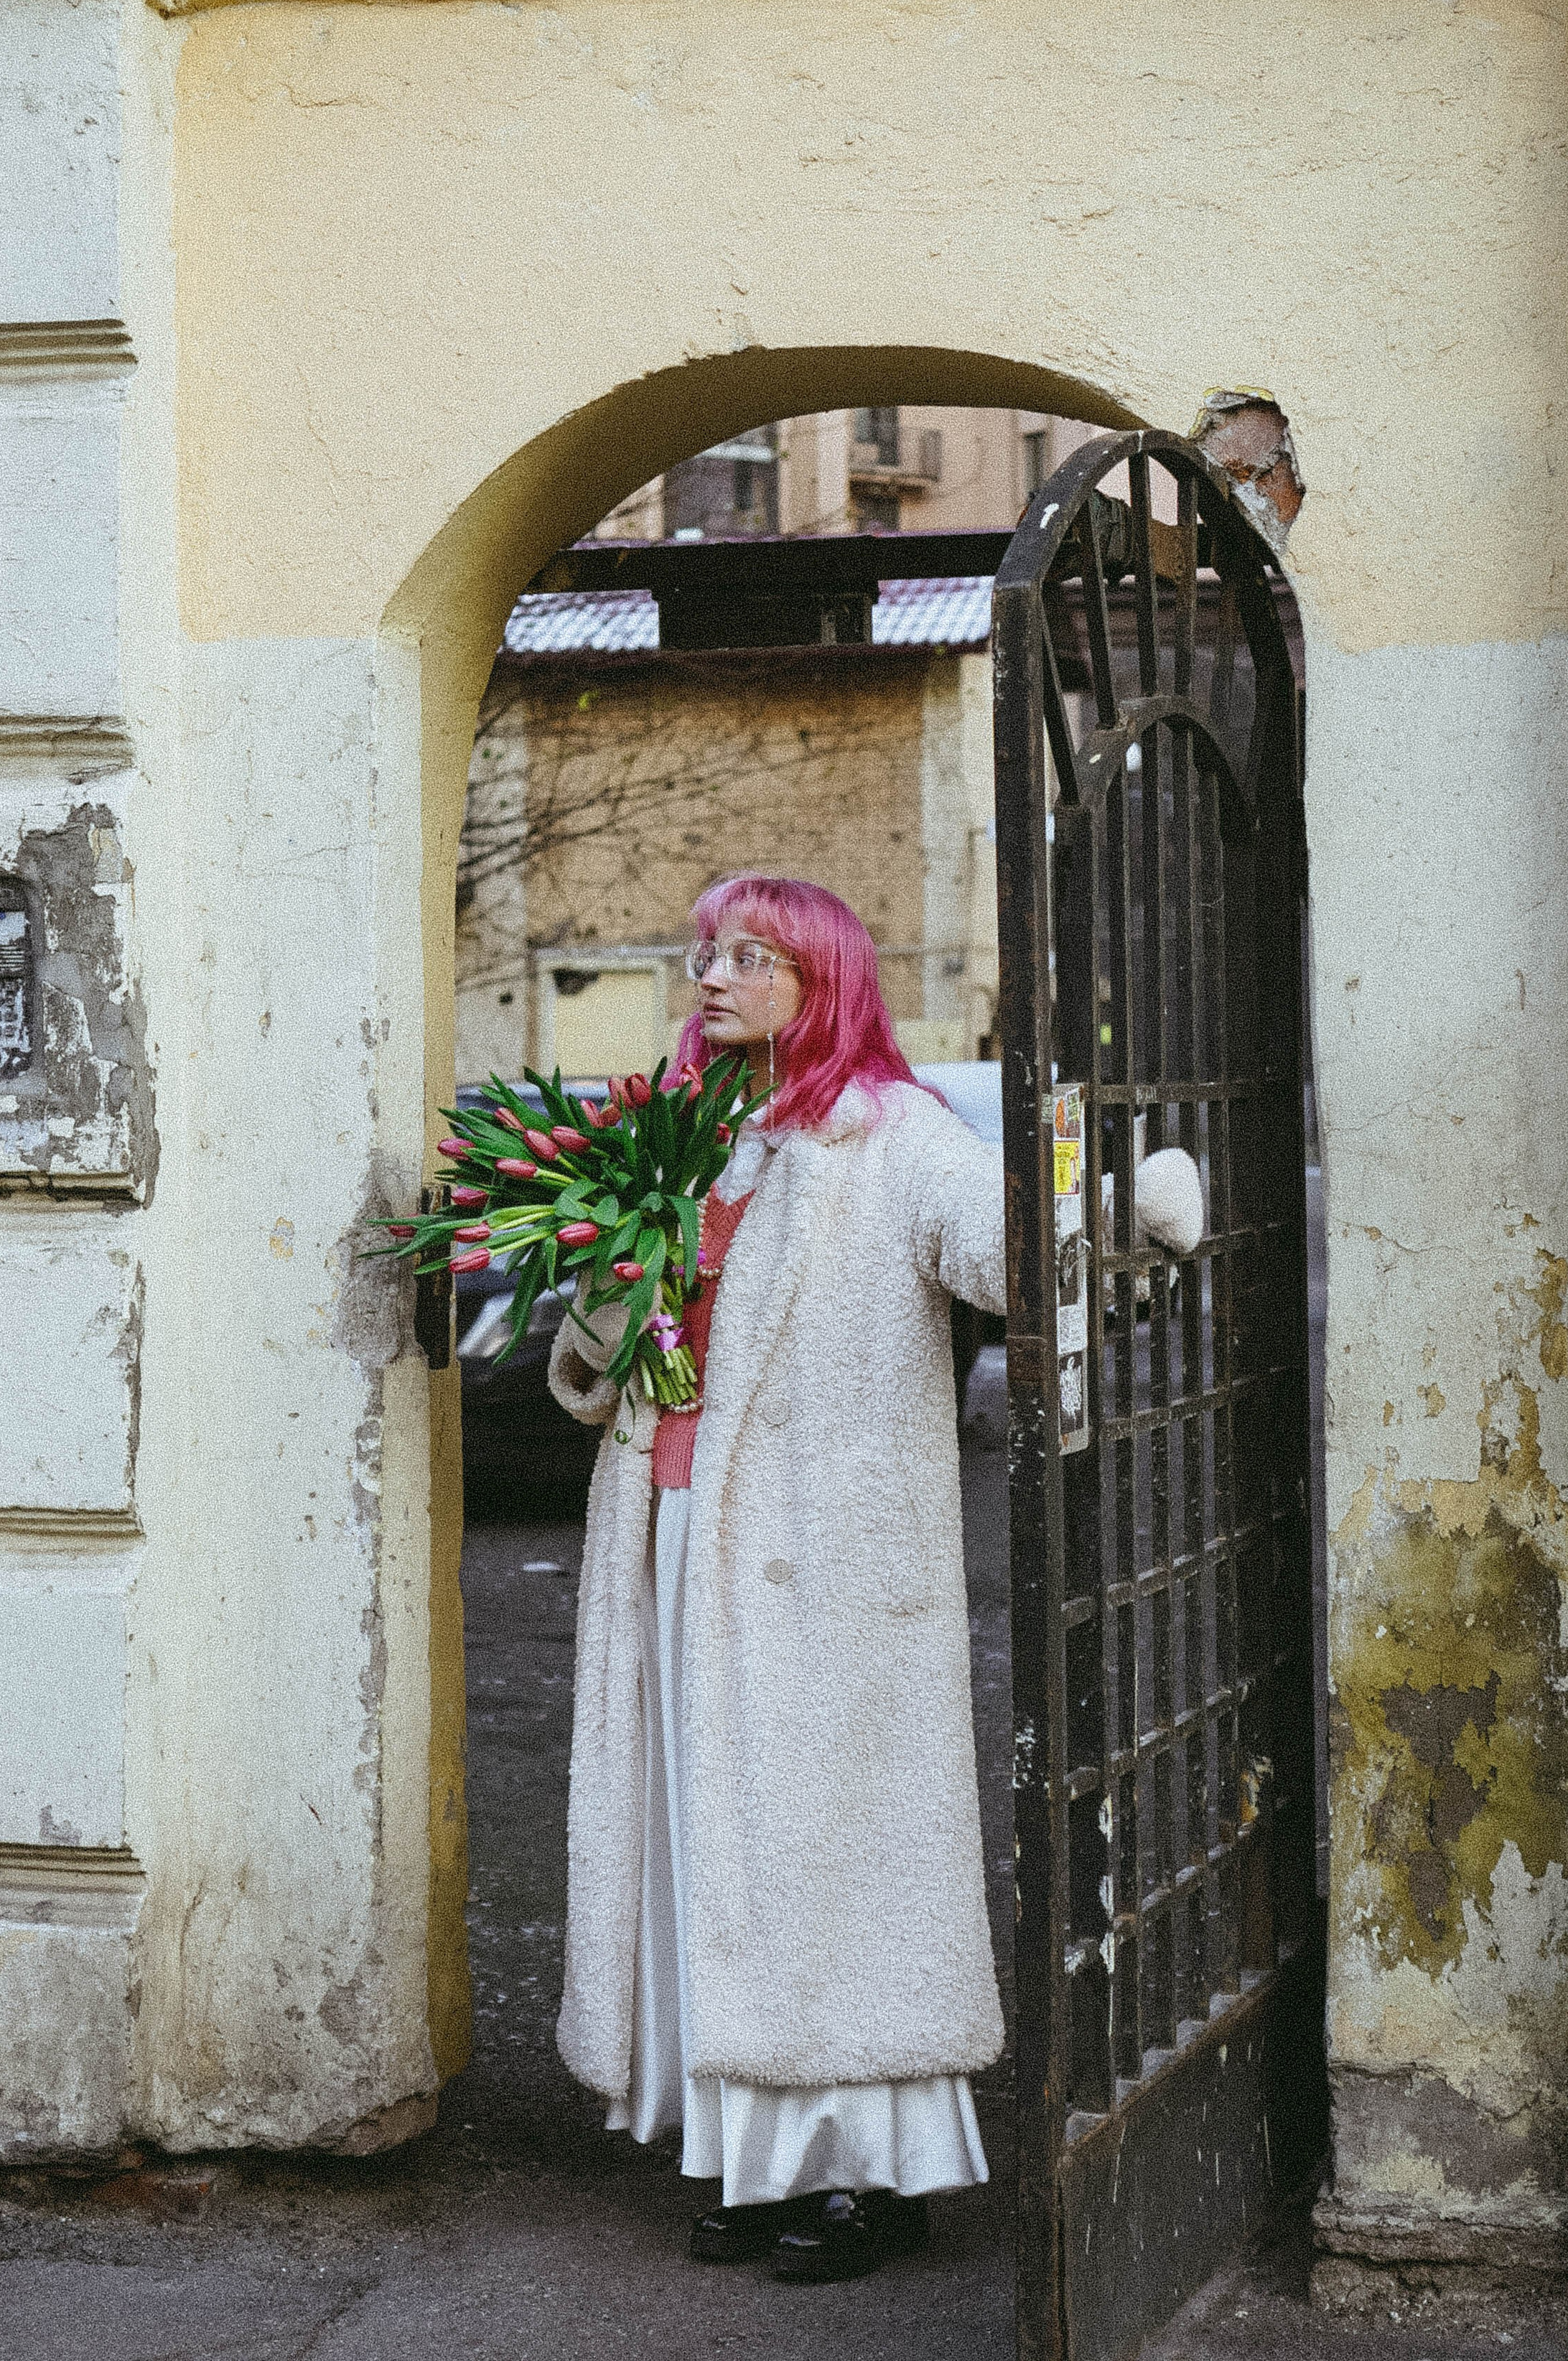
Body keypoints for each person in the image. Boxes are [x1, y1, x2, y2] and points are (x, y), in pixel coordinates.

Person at [547, 873, 1203, 2283]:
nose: (710, 975)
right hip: (671, 1540)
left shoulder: (889, 1135)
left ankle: (865, 2179)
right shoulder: (686, 1138)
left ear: (820, 977)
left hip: (825, 1569)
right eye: (703, 950)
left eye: (747, 955)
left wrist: (1115, 1210)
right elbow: (604, 1348)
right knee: (704, 1844)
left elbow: (999, 1247)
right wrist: (622, 1267)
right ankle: (746, 2155)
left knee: (824, 1863)